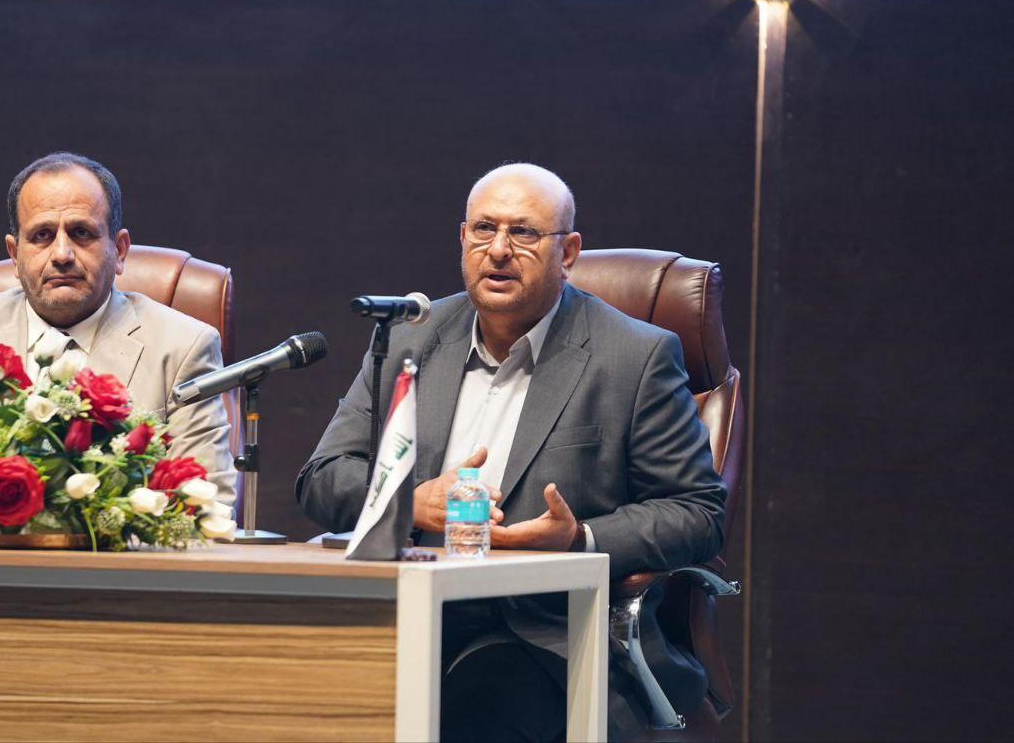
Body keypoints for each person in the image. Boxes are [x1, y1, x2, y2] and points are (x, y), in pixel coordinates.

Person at [296, 163, 727, 741]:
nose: (498, 250)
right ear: (463, 238)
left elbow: (698, 513)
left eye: (523, 232)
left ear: (567, 253)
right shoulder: (409, 337)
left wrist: (577, 540)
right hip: (404, 614)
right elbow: (323, 477)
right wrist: (409, 504)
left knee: (473, 710)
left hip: (548, 635)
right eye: (484, 229)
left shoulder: (634, 356)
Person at [0, 152, 235, 504]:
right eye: (42, 236)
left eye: (81, 233)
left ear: (119, 250)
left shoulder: (183, 347)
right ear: (14, 255)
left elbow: (208, 504)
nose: (62, 255)